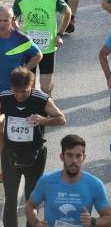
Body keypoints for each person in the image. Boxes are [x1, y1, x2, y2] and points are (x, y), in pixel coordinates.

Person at [0, 66, 66, 227]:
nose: (20, 95)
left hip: (35, 155)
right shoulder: (4, 97)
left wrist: (44, 120)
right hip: (10, 154)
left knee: (31, 198)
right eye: (16, 91)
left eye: (24, 91)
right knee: (10, 198)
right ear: (11, 87)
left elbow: (61, 118)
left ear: (32, 85)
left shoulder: (41, 98)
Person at [25, 134, 111, 227]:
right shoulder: (46, 181)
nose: (74, 160)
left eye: (78, 156)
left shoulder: (95, 184)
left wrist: (93, 222)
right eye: (70, 155)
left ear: (83, 158)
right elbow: (30, 206)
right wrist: (36, 223)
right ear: (62, 157)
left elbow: (109, 219)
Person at [13, 0, 71, 94]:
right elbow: (13, 19)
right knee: (29, 85)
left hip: (48, 47)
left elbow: (68, 12)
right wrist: (19, 34)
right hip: (29, 47)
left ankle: (47, 104)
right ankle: (33, 109)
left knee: (46, 87)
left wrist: (59, 34)